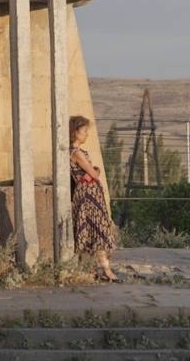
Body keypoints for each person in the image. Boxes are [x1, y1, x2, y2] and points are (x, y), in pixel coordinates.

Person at [69, 115, 120, 282]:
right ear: (75, 132)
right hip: (87, 196)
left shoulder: (80, 152)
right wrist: (96, 170)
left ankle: (92, 270)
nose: (87, 135)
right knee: (95, 231)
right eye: (84, 131)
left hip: (91, 194)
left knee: (93, 231)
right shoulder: (76, 152)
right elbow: (93, 173)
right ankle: (106, 270)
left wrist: (94, 172)